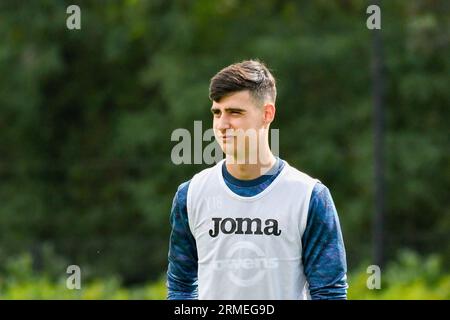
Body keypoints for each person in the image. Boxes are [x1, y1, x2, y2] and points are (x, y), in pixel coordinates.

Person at [166, 60, 348, 300]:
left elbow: (329, 293)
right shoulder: (190, 195)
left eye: (235, 112)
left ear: (267, 114)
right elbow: (180, 288)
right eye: (217, 112)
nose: (222, 124)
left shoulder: (309, 197)